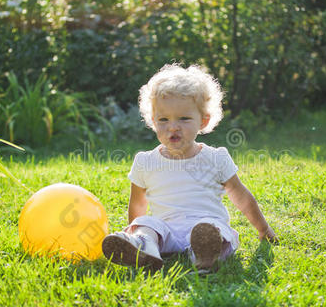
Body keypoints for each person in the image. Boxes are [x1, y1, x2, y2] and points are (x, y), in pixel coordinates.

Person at [102, 63, 277, 272]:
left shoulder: (216, 158)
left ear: (203, 121)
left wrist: (263, 229)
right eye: (163, 119)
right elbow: (137, 206)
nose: (173, 126)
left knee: (214, 229)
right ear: (153, 122)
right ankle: (143, 246)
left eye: (184, 119)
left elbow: (241, 197)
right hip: (166, 232)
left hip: (206, 226)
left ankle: (204, 254)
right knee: (148, 224)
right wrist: (137, 229)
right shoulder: (145, 161)